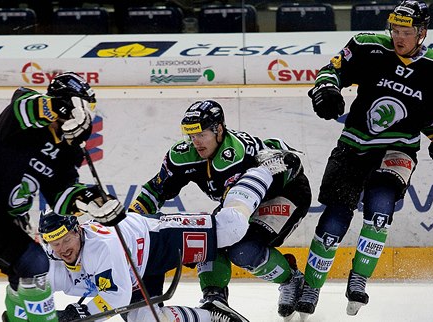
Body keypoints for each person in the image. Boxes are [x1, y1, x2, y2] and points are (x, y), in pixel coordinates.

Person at [297, 0, 433, 319]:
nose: (398, 37)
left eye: (406, 31)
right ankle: (311, 286)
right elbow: (331, 71)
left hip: (398, 150)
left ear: (422, 32)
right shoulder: (367, 46)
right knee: (334, 220)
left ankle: (359, 278)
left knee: (379, 214)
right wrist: (327, 90)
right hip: (353, 146)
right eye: (394, 29)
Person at [0, 72, 124, 322]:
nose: (85, 116)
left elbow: (61, 196)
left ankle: (17, 319)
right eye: (80, 108)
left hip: (5, 219)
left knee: (27, 274)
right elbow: (25, 106)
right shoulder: (24, 113)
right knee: (35, 263)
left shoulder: (65, 152)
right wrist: (61, 108)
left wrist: (91, 200)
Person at [39, 149, 289, 322]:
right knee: (148, 320)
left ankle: (261, 170)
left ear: (77, 229)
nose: (62, 249)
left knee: (230, 227)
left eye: (66, 240)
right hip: (133, 273)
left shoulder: (101, 247)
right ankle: (211, 315)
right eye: (55, 243)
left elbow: (116, 296)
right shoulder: (53, 258)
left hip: (156, 239)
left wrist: (77, 312)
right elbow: (32, 286)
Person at [128, 100, 312, 319]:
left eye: (201, 134)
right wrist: (129, 222)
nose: (196, 142)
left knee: (243, 250)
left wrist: (286, 157)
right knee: (207, 239)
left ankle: (292, 279)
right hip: (241, 202)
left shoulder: (237, 153)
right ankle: (214, 298)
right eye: (191, 135)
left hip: (284, 193)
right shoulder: (183, 155)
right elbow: (155, 190)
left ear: (219, 130)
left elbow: (281, 151)